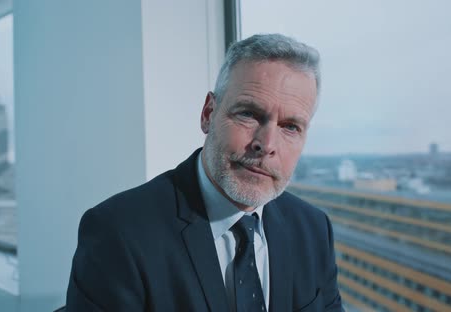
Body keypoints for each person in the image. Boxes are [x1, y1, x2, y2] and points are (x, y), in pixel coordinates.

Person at [58, 33, 343, 312]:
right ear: (208, 114)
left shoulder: (313, 229)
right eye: (248, 114)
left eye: (290, 127)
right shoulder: (119, 232)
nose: (266, 145)